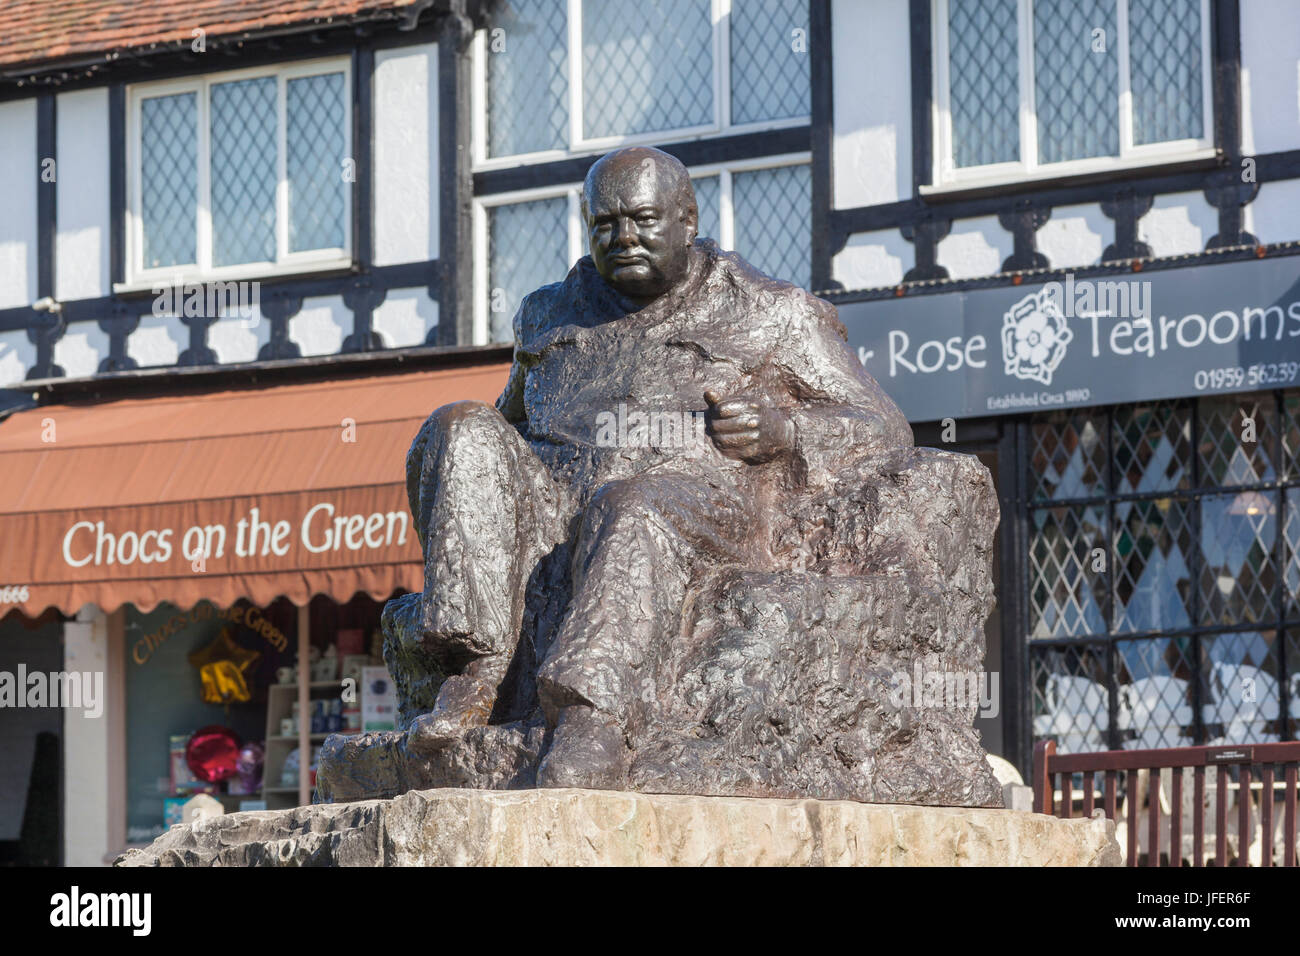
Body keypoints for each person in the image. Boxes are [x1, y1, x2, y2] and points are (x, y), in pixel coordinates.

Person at [402, 146, 912, 788]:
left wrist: (785, 429)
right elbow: (508, 424)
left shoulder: (772, 311)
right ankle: (476, 670)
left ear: (687, 219)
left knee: (632, 502)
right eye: (604, 224)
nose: (622, 238)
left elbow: (882, 425)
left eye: (642, 220)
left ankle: (593, 720)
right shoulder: (547, 311)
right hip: (557, 501)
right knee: (460, 425)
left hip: (695, 504)